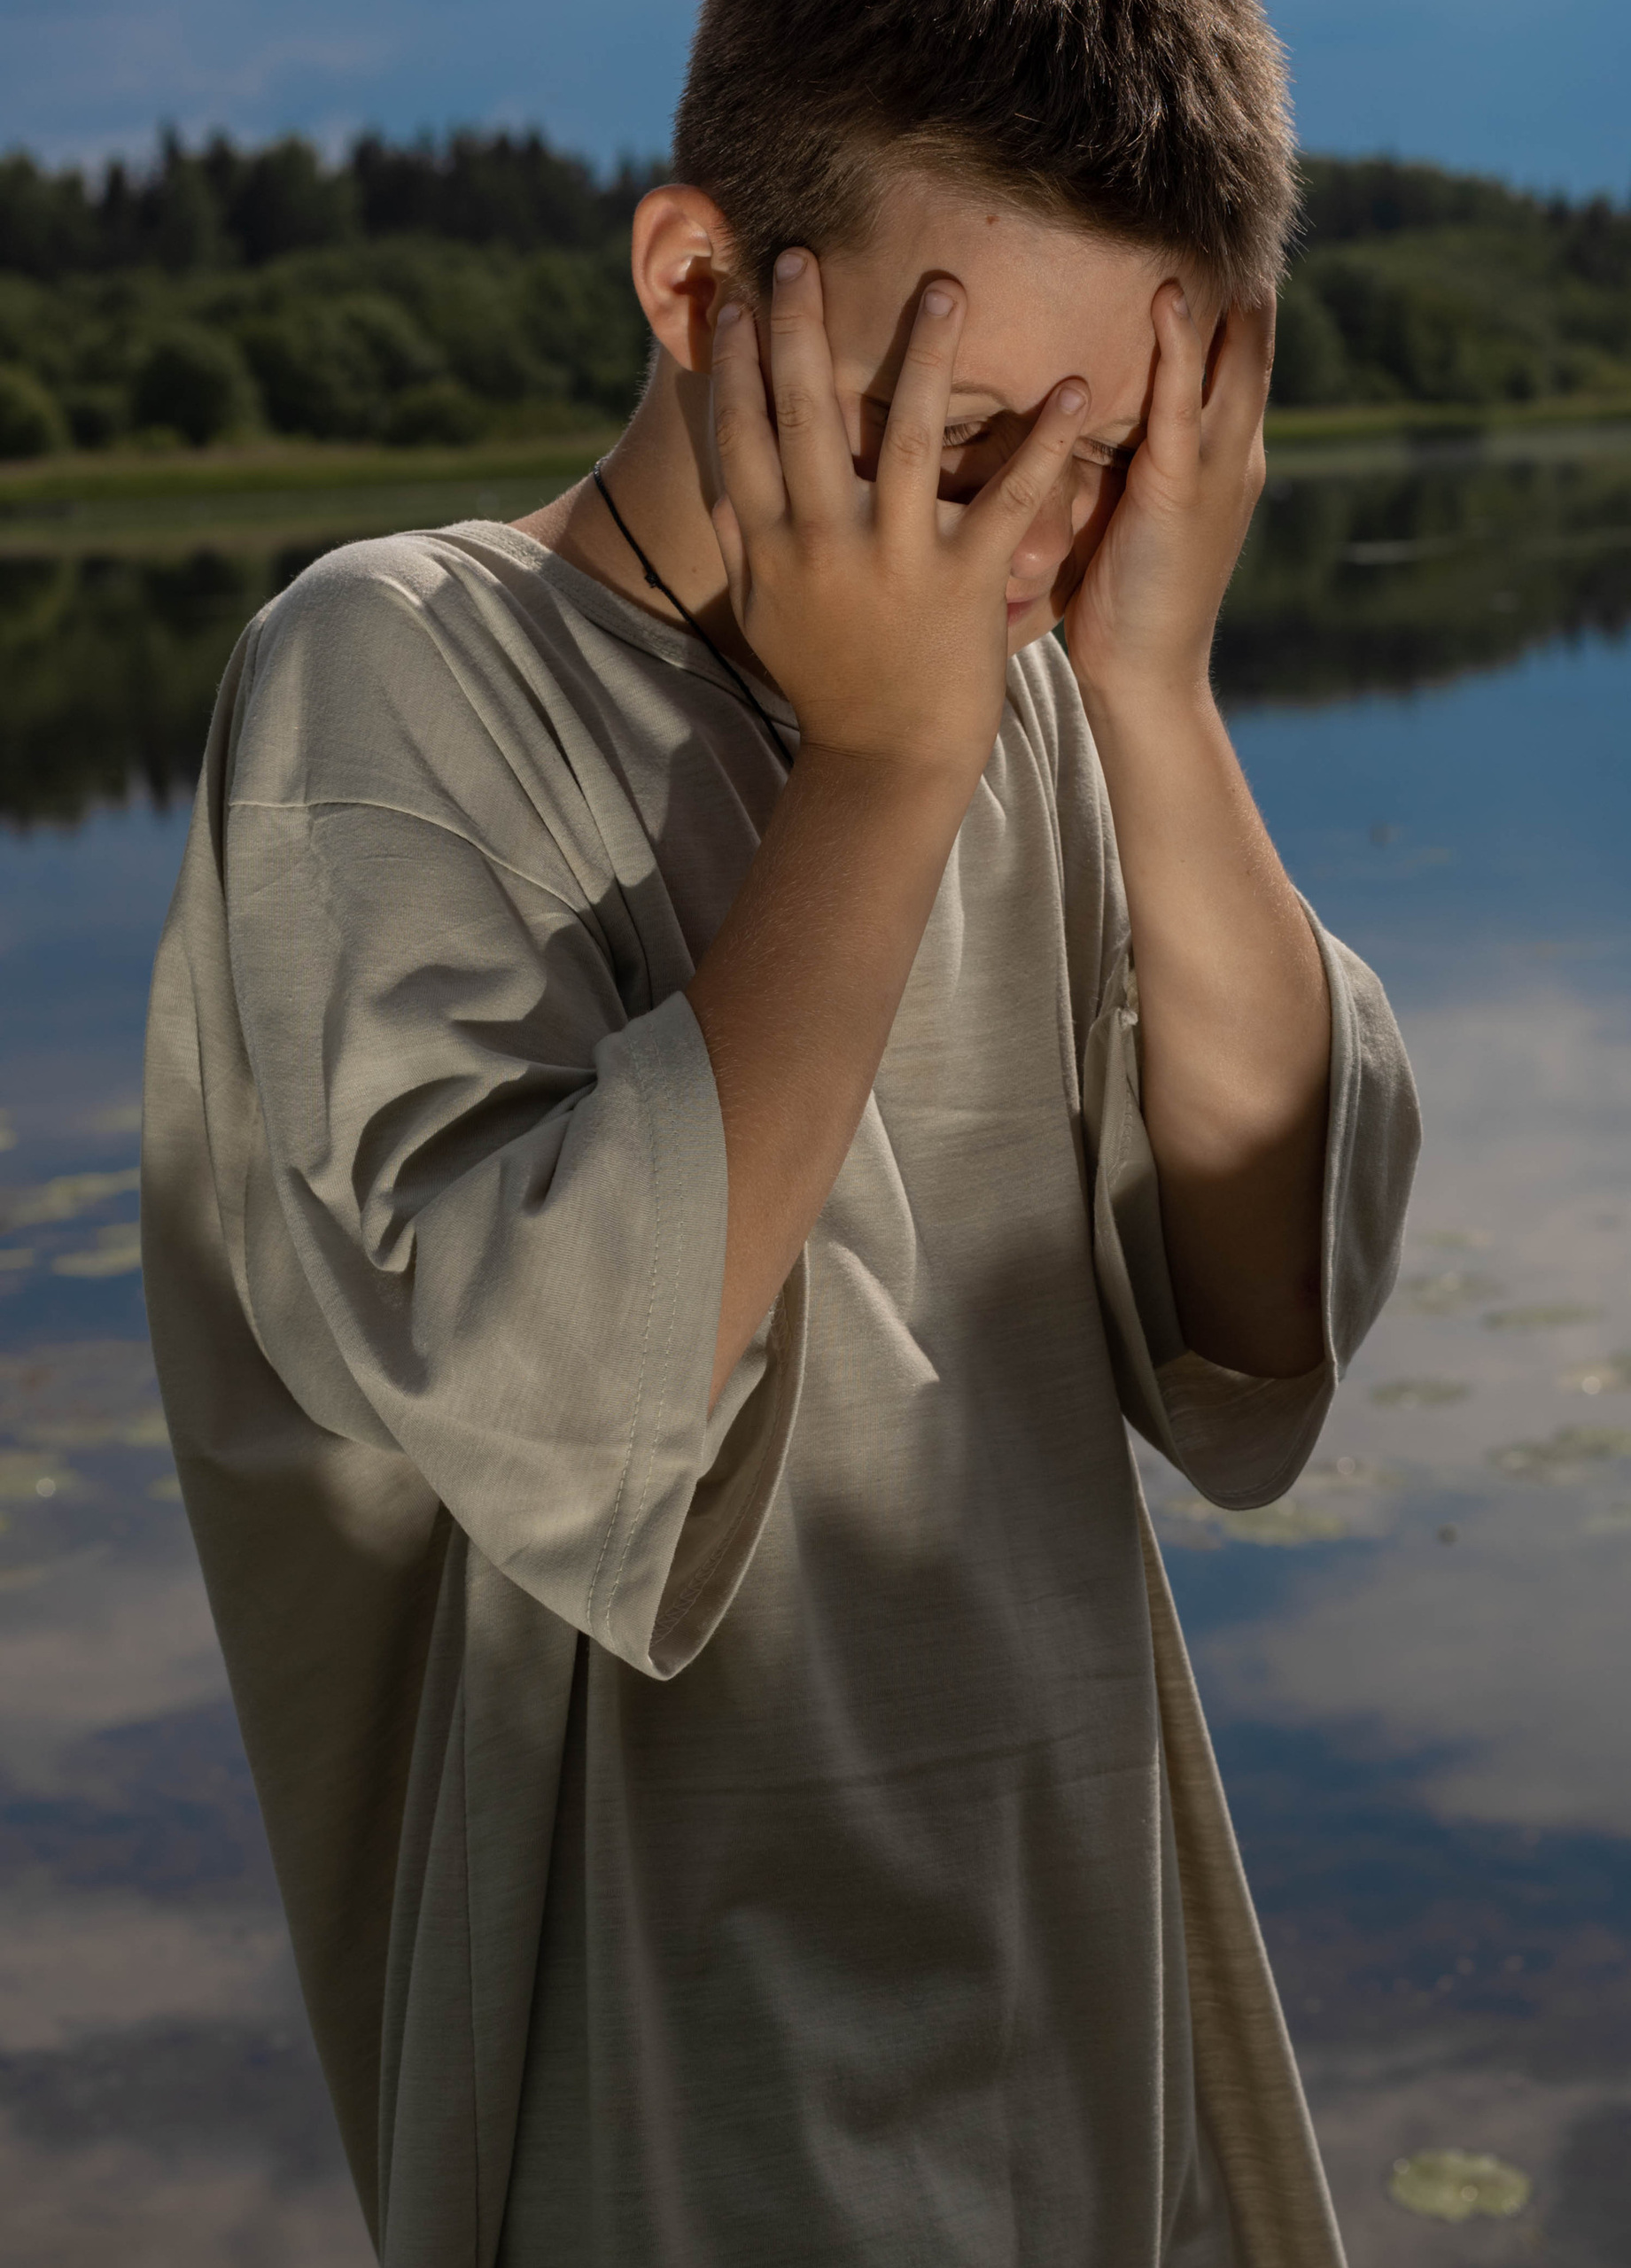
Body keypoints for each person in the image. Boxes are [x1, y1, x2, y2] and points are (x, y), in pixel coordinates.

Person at [141, 0, 1419, 2258]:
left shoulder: (1037, 692)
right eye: (959, 440)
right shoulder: (391, 675)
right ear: (696, 285)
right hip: (666, 2098)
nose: (1033, 533)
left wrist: (1148, 684)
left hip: (1085, 2038)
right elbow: (557, 1399)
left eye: (1114, 460)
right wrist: (887, 765)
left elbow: (1260, 1317)